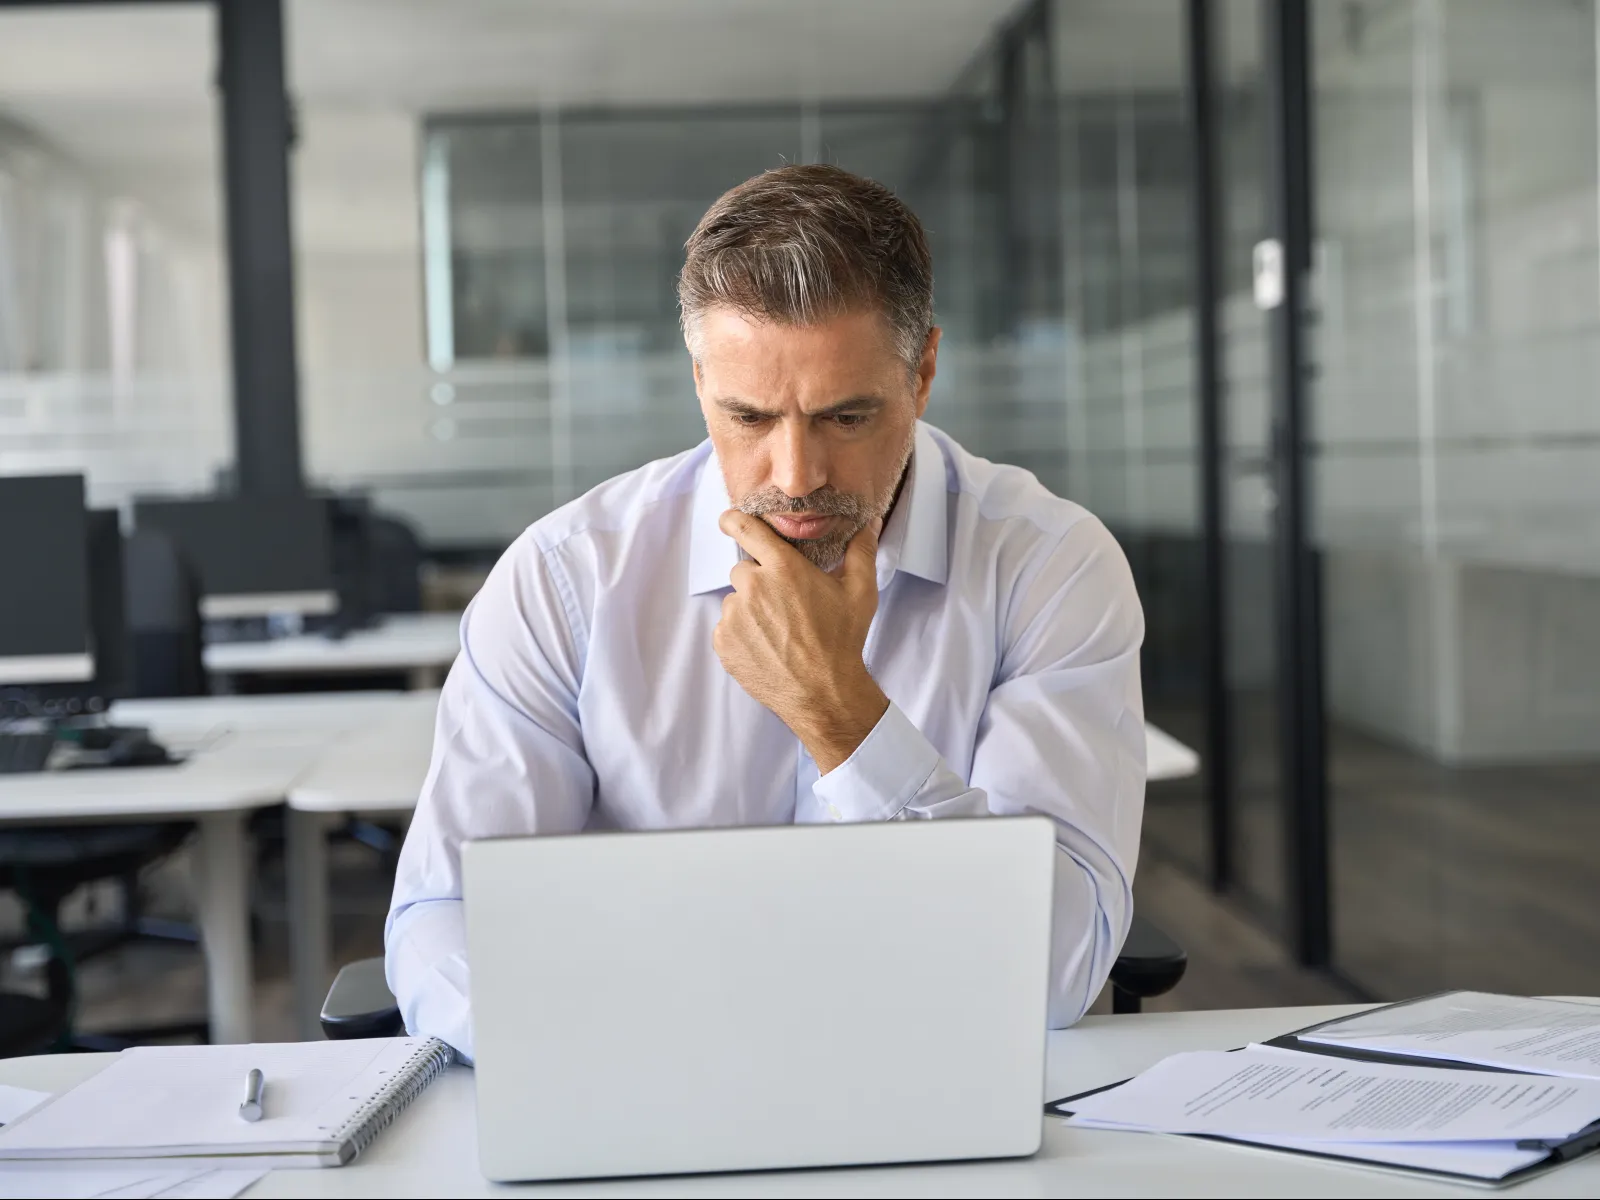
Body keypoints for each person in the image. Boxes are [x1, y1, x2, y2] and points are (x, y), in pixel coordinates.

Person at [386, 164, 1146, 1061]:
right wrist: (601, 1059)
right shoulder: (567, 578)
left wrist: (842, 715)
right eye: (747, 416)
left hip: (938, 1065)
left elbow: (1057, 972)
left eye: (847, 417)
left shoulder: (1049, 566)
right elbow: (443, 917)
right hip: (641, 1068)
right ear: (699, 379)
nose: (795, 477)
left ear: (924, 372)